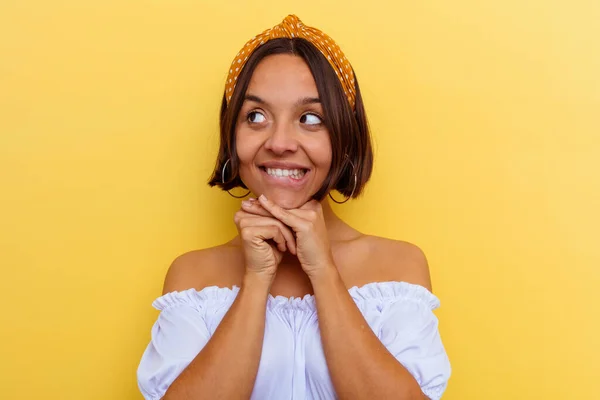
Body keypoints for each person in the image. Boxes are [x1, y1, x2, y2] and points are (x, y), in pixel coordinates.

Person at [137, 15, 451, 400]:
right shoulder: (193, 275)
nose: (280, 142)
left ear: (344, 136)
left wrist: (323, 272)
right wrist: (256, 282)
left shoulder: (399, 267)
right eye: (256, 116)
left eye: (310, 118)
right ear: (231, 134)